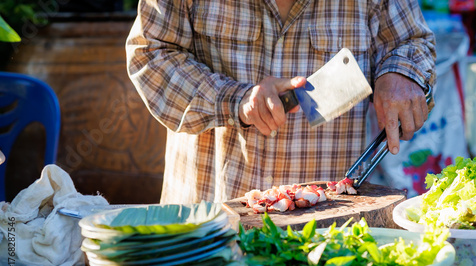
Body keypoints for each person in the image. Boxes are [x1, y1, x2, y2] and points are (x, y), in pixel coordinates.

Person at [126, 0, 436, 204]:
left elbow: (410, 41)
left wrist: (400, 73)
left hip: (327, 231)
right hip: (209, 221)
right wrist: (236, 100)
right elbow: (150, 54)